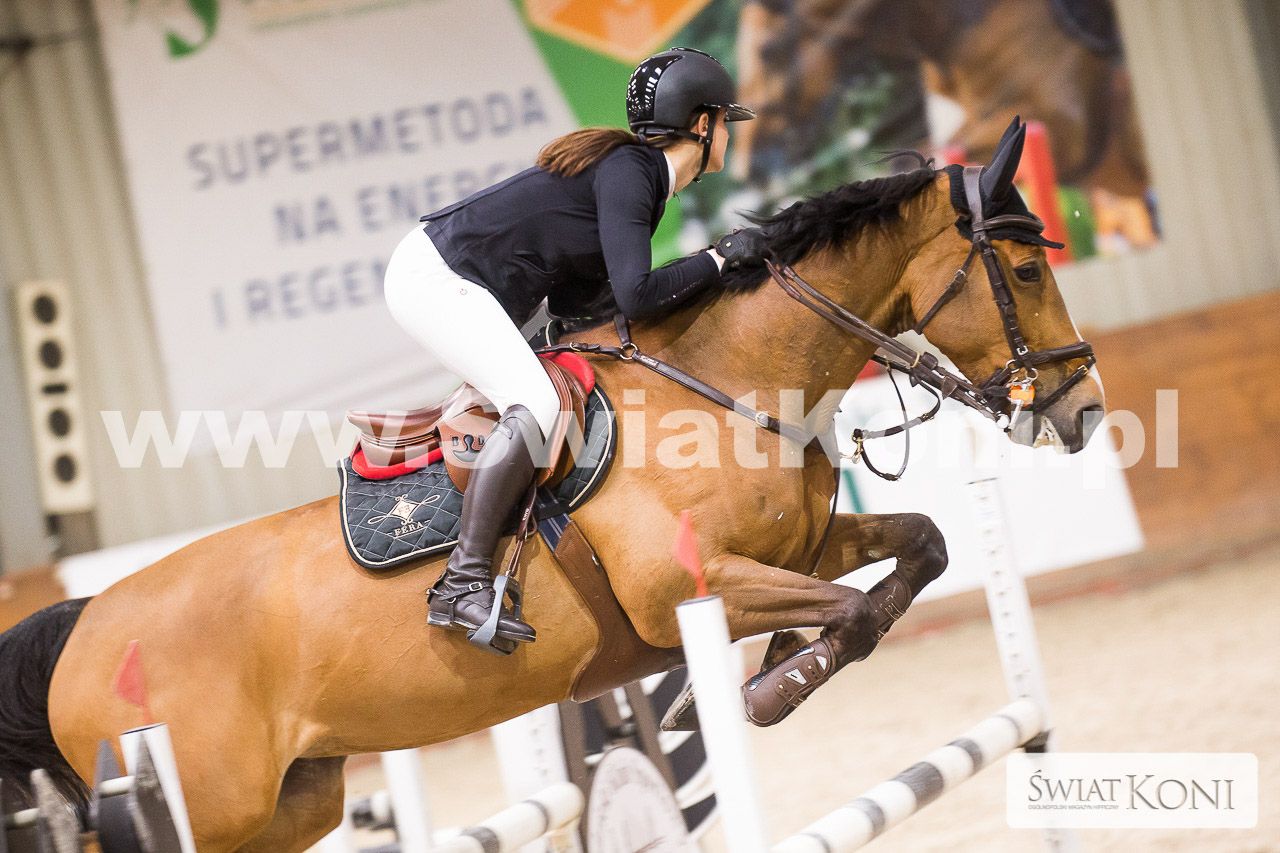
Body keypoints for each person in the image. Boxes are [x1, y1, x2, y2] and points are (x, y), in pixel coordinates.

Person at [382, 47, 768, 655]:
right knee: (535, 403)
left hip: (452, 279)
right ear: (702, 124)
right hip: (434, 278)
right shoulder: (632, 171)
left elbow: (581, 302)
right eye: (725, 121)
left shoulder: (638, 179)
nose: (727, 133)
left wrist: (705, 273)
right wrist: (717, 259)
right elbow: (637, 295)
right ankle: (461, 583)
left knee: (548, 391)